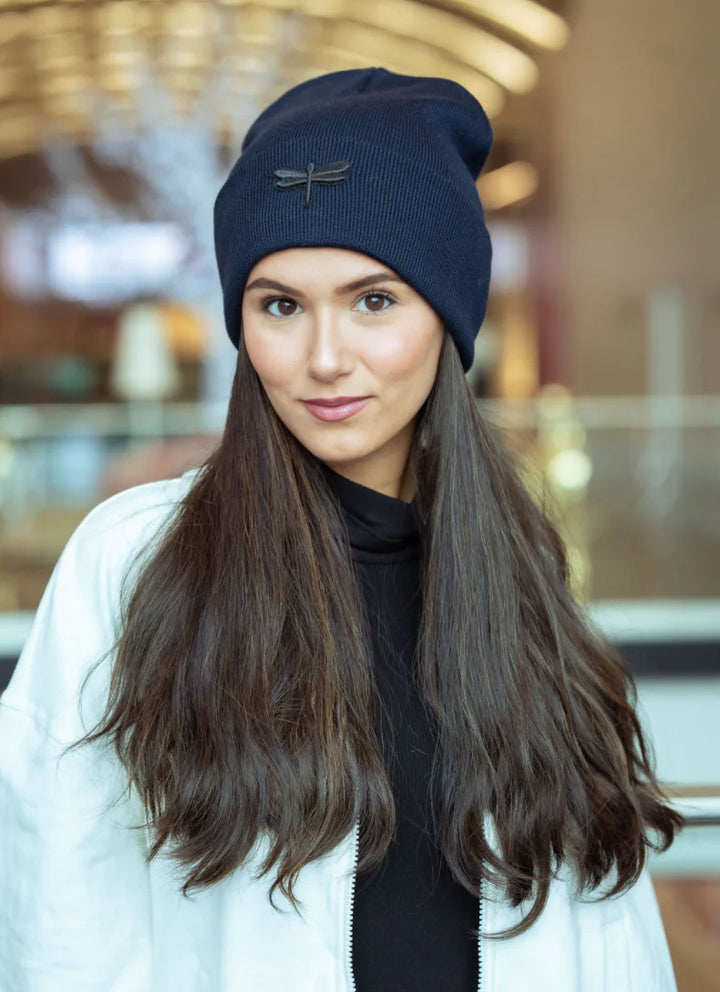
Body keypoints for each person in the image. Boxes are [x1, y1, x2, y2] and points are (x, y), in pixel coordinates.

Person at [0, 67, 683, 992]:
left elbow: (599, 907)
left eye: (374, 300)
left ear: (447, 316)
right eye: (280, 305)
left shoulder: (515, 564)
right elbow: (60, 905)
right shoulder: (135, 561)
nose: (325, 359)